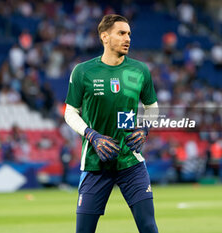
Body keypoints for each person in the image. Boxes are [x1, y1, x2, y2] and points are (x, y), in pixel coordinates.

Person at [64, 14, 159, 233]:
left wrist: (145, 128)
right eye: (121, 33)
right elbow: (70, 112)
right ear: (104, 37)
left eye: (129, 34)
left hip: (130, 162)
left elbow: (152, 107)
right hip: (95, 163)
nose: (128, 38)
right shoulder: (83, 71)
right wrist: (92, 135)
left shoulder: (140, 70)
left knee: (148, 227)